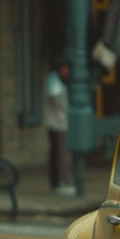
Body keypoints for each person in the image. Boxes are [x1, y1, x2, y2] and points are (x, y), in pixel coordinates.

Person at [44, 61, 73, 196]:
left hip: (56, 122)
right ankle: (60, 180)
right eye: (66, 69)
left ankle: (57, 181)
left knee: (56, 153)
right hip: (57, 123)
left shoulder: (54, 80)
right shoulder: (54, 81)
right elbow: (55, 99)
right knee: (59, 153)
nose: (67, 73)